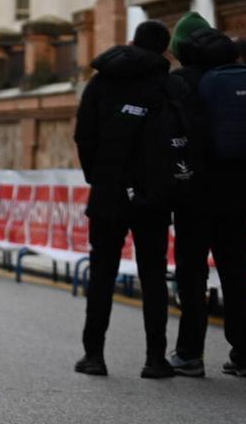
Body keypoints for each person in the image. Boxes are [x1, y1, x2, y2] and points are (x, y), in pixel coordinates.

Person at [73, 19, 185, 379]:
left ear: (133, 42)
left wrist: (99, 176)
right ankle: (155, 359)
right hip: (153, 194)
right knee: (153, 275)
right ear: (164, 50)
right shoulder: (168, 86)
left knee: (102, 272)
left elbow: (83, 136)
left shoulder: (101, 82)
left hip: (108, 190)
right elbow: (180, 140)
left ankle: (94, 355)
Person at [167, 14, 246, 378]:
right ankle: (243, 355)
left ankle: (190, 353)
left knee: (192, 275)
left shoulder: (180, 83)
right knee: (236, 273)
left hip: (194, 195)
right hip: (237, 194)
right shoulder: (242, 79)